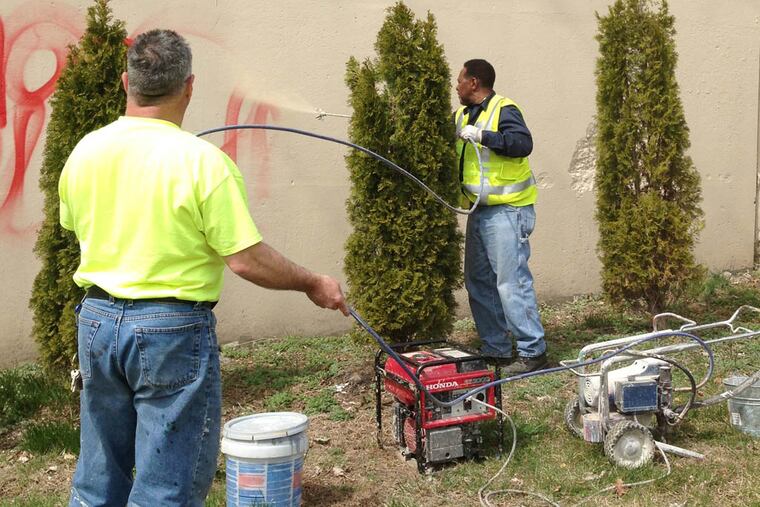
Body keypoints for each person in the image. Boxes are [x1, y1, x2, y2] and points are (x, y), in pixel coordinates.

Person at [59, 29, 348, 506]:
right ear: (189, 86)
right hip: (168, 329)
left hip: (97, 323)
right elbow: (246, 259)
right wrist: (312, 283)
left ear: (124, 81)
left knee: (97, 480)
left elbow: (75, 224)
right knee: (165, 488)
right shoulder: (203, 163)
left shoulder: (86, 151)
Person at [454, 59, 547, 375]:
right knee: (478, 281)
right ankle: (496, 349)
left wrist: (483, 137)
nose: (456, 87)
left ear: (474, 83)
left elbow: (523, 143)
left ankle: (532, 351)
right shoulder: (462, 116)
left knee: (511, 282)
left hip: (509, 210)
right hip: (479, 210)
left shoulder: (504, 110)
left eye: (460, 81)